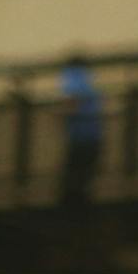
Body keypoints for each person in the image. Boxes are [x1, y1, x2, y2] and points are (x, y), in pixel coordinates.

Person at [57, 51, 103, 212]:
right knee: (85, 179)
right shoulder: (89, 79)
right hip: (94, 134)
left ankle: (72, 213)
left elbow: (71, 101)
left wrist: (59, 116)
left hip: (80, 137)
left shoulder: (72, 77)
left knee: (73, 181)